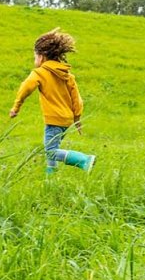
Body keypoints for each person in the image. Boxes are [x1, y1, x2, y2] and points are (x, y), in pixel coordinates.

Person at [9, 28, 96, 174]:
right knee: (53, 148)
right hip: (66, 120)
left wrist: (16, 107)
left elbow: (25, 88)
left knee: (50, 151)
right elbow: (77, 99)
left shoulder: (39, 73)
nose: (35, 60)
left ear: (42, 57)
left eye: (35, 57)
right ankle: (51, 177)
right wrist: (77, 118)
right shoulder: (66, 75)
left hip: (54, 120)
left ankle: (83, 160)